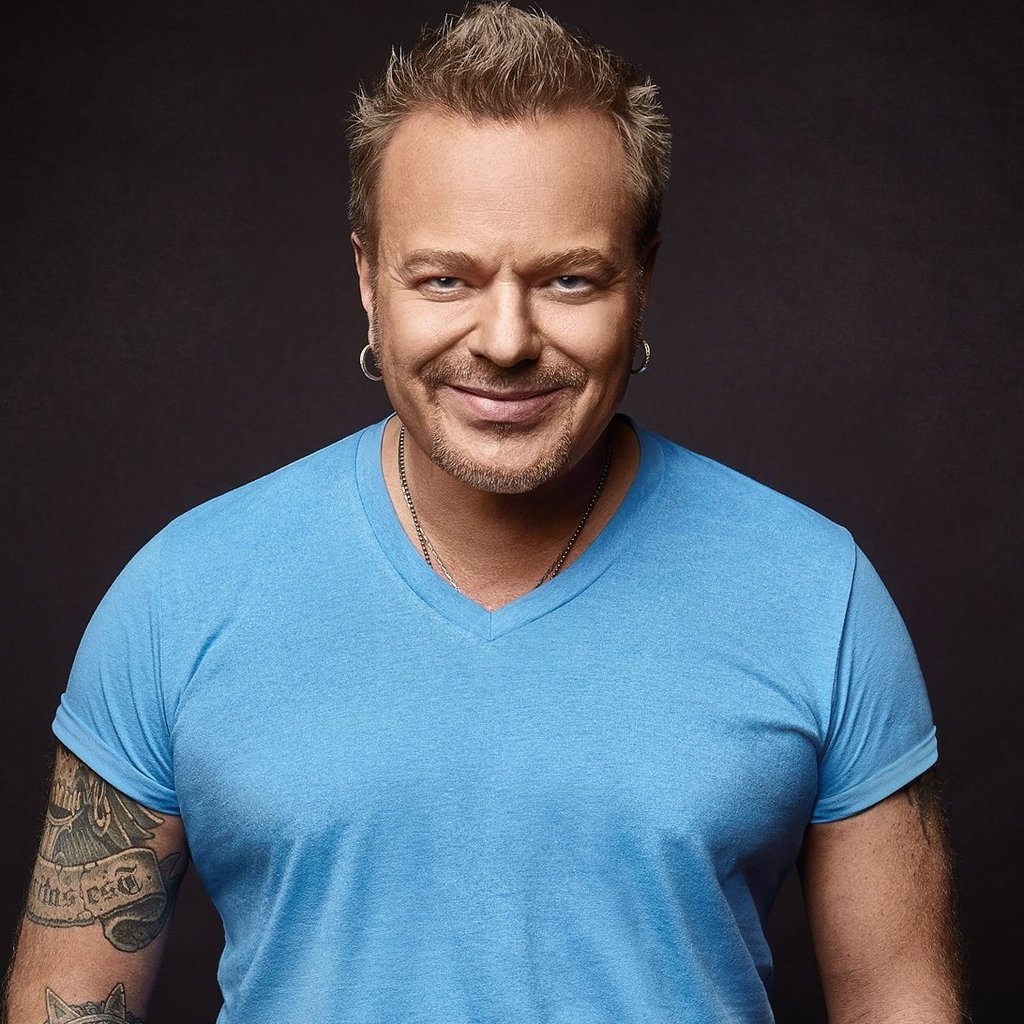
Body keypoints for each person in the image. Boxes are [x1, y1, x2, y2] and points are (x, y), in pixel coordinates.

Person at [4, 3, 966, 1022]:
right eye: (444, 278)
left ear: (641, 281)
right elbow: (67, 1002)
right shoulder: (181, 593)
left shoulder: (816, 593)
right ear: (368, 278)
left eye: (569, 279)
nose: (505, 341)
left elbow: (902, 1002)